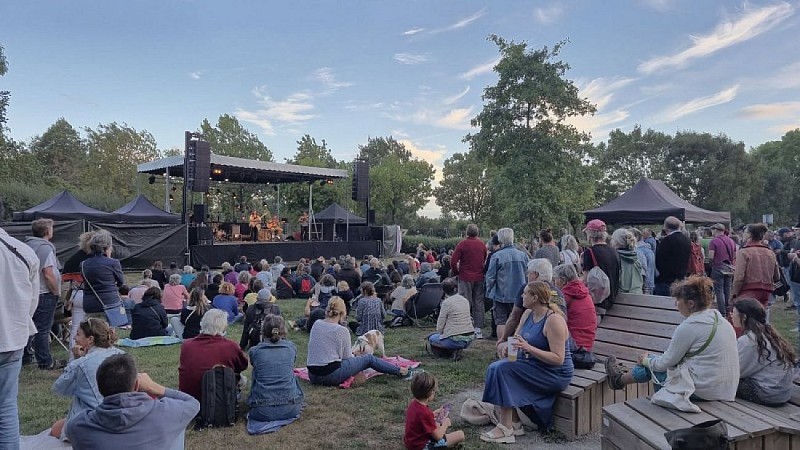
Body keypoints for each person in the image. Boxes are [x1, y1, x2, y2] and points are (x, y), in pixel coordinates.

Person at [605, 276, 739, 401]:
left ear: (691, 303)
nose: (676, 304)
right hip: (726, 390)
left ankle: (618, 380)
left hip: (702, 392)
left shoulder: (690, 326)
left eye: (678, 300)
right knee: (656, 362)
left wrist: (645, 360)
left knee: (653, 365)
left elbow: (664, 364)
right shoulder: (722, 321)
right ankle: (619, 380)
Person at [481, 281, 574, 443]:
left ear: (535, 298)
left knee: (502, 370)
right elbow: (517, 340)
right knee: (498, 368)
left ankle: (506, 429)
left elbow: (558, 359)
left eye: (525, 293)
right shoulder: (527, 314)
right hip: (534, 364)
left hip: (554, 373)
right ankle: (515, 423)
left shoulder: (554, 320)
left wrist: (528, 348)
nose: (521, 296)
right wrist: (507, 350)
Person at [65, 353, 200, 449]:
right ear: (136, 385)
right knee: (176, 423)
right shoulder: (167, 412)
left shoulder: (78, 426)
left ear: (100, 388)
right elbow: (193, 404)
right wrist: (155, 387)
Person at [0, 197, 40, 449]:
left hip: (13, 338)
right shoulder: (23, 252)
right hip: (12, 339)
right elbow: (31, 302)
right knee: (6, 406)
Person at [307, 298, 415, 386]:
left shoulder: (317, 324)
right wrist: (357, 359)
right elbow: (347, 358)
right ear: (343, 313)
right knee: (368, 359)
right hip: (329, 376)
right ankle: (401, 371)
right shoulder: (341, 331)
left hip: (312, 375)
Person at [50, 318, 125, 440]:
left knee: (56, 429)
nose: (74, 338)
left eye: (78, 334)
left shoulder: (81, 364)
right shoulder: (123, 355)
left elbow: (60, 388)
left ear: (90, 339)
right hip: (124, 414)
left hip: (96, 418)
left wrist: (77, 360)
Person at [732, 298, 795, 406]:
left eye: (734, 313)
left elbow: (736, 372)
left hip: (768, 393)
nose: (731, 315)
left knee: (721, 381)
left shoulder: (750, 341)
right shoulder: (767, 334)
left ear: (744, 317)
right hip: (781, 392)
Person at [178, 310, 248, 401]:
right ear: (224, 327)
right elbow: (242, 366)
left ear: (202, 323)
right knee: (242, 378)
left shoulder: (187, 345)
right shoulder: (231, 346)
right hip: (219, 399)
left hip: (189, 398)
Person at [23, 218, 64, 370]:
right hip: (44, 292)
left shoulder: (27, 245)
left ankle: (26, 356)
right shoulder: (45, 248)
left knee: (29, 325)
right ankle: (45, 361)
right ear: (47, 231)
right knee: (42, 328)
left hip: (29, 292)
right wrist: (55, 291)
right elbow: (48, 273)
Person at [248, 314, 305, 422]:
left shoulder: (255, 351)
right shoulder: (291, 348)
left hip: (261, 410)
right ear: (283, 331)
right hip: (291, 408)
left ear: (263, 331)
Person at [486, 228, 530, 343]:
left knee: (501, 321)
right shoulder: (523, 255)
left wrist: (490, 291)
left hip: (502, 294)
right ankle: (514, 347)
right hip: (520, 294)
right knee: (518, 320)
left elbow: (490, 277)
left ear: (500, 239)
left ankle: (501, 346)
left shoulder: (497, 256)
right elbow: (528, 274)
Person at [404, 371, 465, 450]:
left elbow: (420, 419)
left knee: (436, 422)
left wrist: (433, 414)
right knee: (460, 434)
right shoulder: (425, 413)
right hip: (422, 446)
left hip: (411, 443)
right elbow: (438, 437)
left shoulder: (413, 404)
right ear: (430, 392)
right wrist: (445, 424)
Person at [732, 223, 781, 307]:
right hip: (766, 290)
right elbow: (777, 276)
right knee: (762, 315)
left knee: (746, 317)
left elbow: (739, 277)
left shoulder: (744, 252)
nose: (743, 235)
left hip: (748, 290)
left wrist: (733, 294)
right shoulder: (770, 252)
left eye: (744, 232)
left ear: (749, 235)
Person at [80, 230, 125, 317]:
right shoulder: (113, 263)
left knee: (92, 327)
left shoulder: (83, 264)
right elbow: (121, 282)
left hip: (89, 302)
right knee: (109, 328)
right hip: (110, 302)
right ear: (107, 247)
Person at [427, 278, 474, 359]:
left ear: (444, 291)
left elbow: (440, 325)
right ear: (456, 288)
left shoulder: (446, 303)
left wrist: (440, 333)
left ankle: (449, 353)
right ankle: (456, 350)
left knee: (432, 338)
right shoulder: (465, 300)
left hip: (454, 339)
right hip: (470, 337)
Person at [552, 264, 597, 350]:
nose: (554, 283)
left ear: (563, 280)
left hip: (573, 346)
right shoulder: (584, 292)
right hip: (586, 344)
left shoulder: (565, 295)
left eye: (555, 279)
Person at [582, 219, 620, 309]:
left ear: (590, 234)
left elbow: (585, 280)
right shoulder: (614, 251)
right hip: (612, 299)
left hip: (598, 302)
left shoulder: (590, 252)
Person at [654, 217, 692, 297]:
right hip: (681, 279)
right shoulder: (687, 240)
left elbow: (659, 261)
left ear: (665, 227)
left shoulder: (666, 241)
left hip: (666, 280)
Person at [708, 223, 738, 313]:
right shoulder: (731, 241)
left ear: (715, 230)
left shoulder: (714, 241)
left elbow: (711, 257)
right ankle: (729, 310)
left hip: (718, 267)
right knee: (727, 290)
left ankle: (722, 312)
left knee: (719, 291)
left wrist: (710, 265)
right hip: (729, 267)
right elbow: (735, 256)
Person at [610, 228, 644, 294]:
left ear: (616, 242)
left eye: (612, 239)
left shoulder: (614, 258)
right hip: (637, 295)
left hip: (620, 297)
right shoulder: (636, 257)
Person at [632, 228, 656, 294]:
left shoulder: (637, 252)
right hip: (650, 285)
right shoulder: (649, 250)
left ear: (635, 237)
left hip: (642, 287)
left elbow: (644, 272)